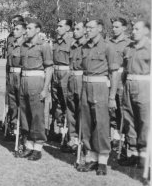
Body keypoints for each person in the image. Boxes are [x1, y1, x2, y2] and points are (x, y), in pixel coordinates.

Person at [75, 19, 119, 175]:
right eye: (86, 27)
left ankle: (102, 161)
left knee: (101, 124)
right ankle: (91, 158)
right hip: (86, 88)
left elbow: (114, 73)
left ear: (100, 28)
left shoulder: (108, 47)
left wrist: (112, 96)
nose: (87, 30)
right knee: (86, 124)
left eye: (90, 28)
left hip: (101, 89)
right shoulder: (84, 47)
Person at [16, 21, 53, 161]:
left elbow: (49, 68)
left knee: (37, 116)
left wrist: (45, 89)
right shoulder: (23, 46)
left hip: (36, 82)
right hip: (24, 82)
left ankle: (38, 148)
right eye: (27, 29)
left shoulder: (44, 46)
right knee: (25, 116)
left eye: (30, 28)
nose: (27, 31)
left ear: (38, 30)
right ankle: (29, 146)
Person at [117, 20, 150, 167]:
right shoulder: (128, 48)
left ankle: (144, 156)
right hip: (128, 85)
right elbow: (123, 69)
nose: (133, 32)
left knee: (144, 121)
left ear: (146, 31)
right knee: (129, 119)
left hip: (145, 86)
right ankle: (133, 153)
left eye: (137, 29)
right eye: (133, 29)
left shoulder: (149, 48)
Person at [61, 21, 88, 153]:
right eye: (74, 29)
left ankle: (84, 141)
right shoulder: (73, 45)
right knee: (70, 110)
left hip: (82, 79)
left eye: (78, 29)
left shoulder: (88, 46)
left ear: (85, 31)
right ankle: (73, 139)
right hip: (71, 78)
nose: (75, 31)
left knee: (82, 111)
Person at [108, 17, 132, 150]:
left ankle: (125, 139)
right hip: (109, 79)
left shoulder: (129, 43)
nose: (114, 29)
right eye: (113, 27)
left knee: (123, 109)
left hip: (122, 79)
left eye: (117, 27)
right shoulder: (108, 42)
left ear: (124, 28)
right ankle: (115, 137)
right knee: (112, 109)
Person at [51, 19, 74, 141]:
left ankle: (69, 134)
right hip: (55, 74)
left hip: (66, 73)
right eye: (57, 26)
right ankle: (60, 131)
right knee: (57, 103)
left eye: (60, 26)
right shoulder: (55, 42)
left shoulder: (72, 42)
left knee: (67, 103)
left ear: (68, 28)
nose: (57, 28)